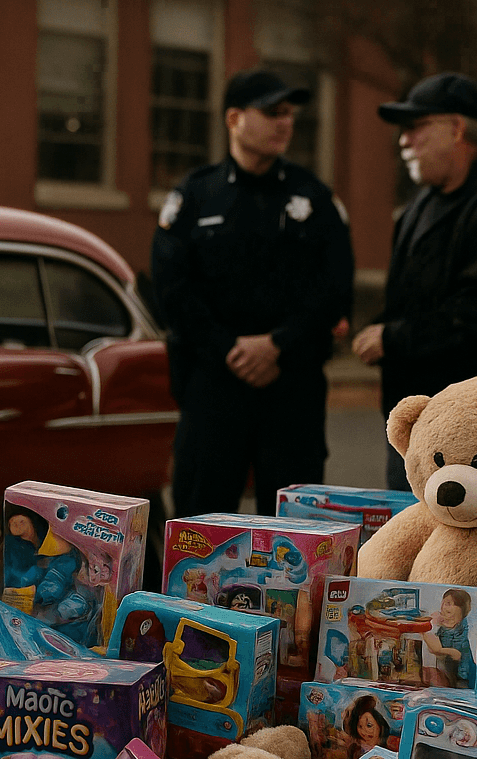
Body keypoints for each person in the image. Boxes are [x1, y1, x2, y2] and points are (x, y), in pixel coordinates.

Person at [153, 68, 354, 517]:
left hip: (292, 385)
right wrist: (230, 349)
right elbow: (172, 290)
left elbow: (334, 287)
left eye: (288, 113)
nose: (284, 122)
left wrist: (277, 344)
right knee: (200, 521)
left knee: (294, 528)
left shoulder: (314, 199)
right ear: (233, 118)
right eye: (270, 112)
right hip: (213, 383)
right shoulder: (196, 196)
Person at [353, 73, 477, 491]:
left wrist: (395, 338)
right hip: (415, 429)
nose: (403, 141)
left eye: (416, 127)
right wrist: (377, 328)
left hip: (475, 442)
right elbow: (413, 301)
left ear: (457, 129)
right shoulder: (419, 208)